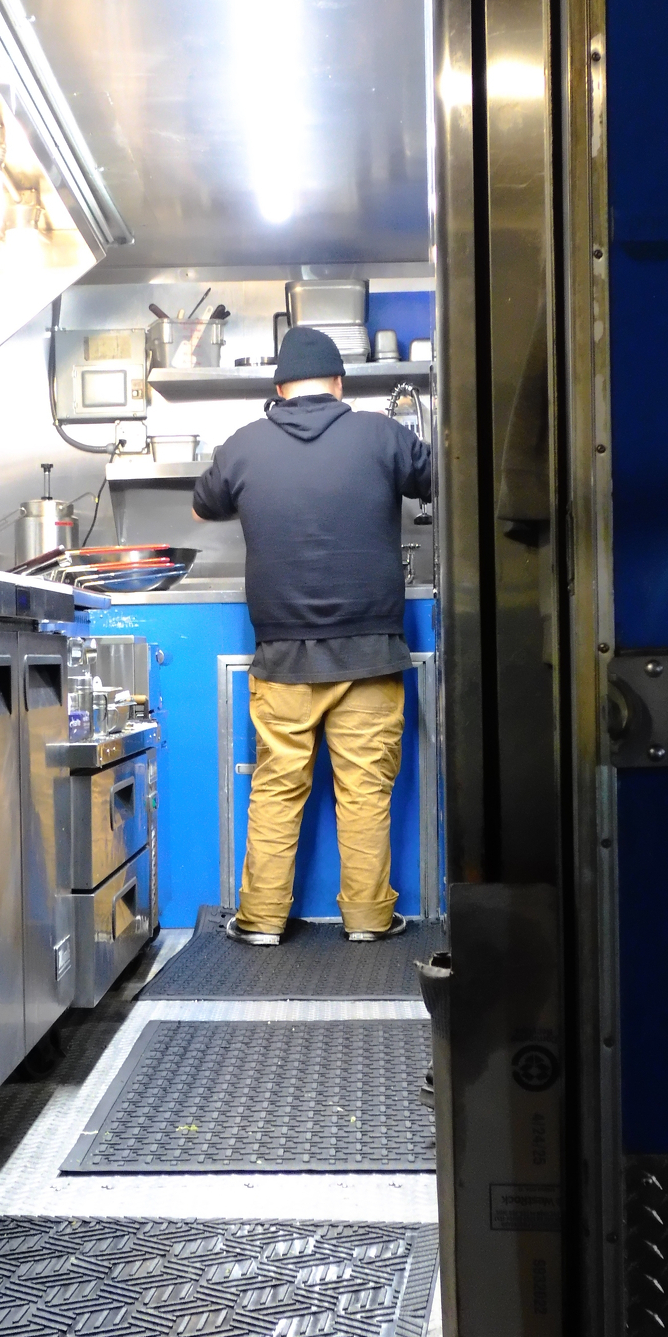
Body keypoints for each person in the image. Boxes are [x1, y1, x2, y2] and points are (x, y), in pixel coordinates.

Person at [192, 324, 433, 945]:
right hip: (370, 654)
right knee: (365, 792)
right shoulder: (382, 435)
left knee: (276, 789)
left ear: (279, 388)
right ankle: (370, 920)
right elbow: (445, 481)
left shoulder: (244, 443)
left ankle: (261, 921)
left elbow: (202, 506)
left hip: (281, 660)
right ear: (339, 383)